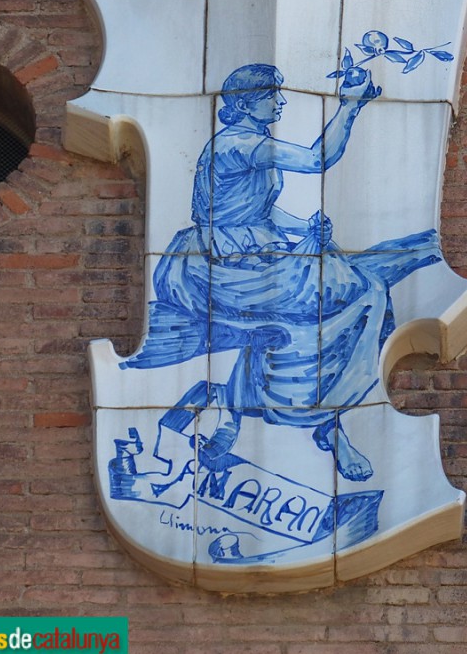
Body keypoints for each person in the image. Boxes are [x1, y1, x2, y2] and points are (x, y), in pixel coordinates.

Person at [119, 63, 440, 481]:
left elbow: (259, 210)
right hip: (218, 269)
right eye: (274, 96)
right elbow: (316, 159)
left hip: (245, 257)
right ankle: (319, 421)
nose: (283, 102)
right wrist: (349, 106)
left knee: (336, 294)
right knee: (358, 293)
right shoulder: (237, 145)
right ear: (249, 104)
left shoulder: (253, 142)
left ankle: (284, 417)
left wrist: (302, 227)